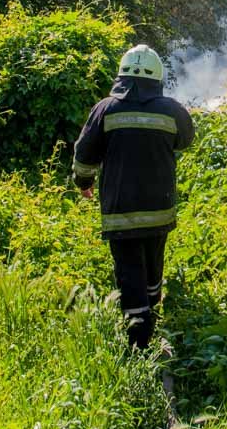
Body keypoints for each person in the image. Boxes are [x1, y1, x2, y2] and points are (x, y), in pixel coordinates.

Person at [72, 44, 195, 350]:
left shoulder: (105, 109)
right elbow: (187, 140)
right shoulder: (173, 110)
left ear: (121, 75)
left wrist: (83, 181)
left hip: (120, 210)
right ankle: (152, 308)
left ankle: (138, 338)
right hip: (159, 209)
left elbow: (84, 154)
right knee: (154, 261)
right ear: (157, 78)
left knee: (129, 270)